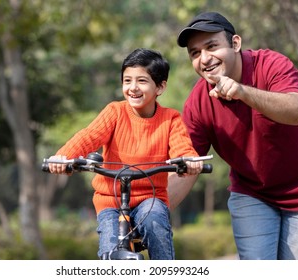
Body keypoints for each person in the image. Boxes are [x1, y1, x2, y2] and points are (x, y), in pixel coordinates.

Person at [169, 11, 298, 260]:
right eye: (195, 53)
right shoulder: (198, 102)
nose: (204, 58)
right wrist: (151, 213)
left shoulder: (272, 64)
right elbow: (187, 165)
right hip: (252, 190)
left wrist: (242, 92)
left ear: (235, 43)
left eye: (212, 46)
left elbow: (296, 111)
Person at [48, 48, 204, 260]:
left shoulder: (171, 119)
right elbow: (89, 136)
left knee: (156, 222)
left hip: (150, 197)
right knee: (110, 248)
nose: (133, 88)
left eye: (141, 81)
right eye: (127, 81)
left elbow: (181, 147)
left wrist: (187, 160)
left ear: (160, 87)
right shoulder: (115, 112)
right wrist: (64, 157)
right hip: (110, 200)